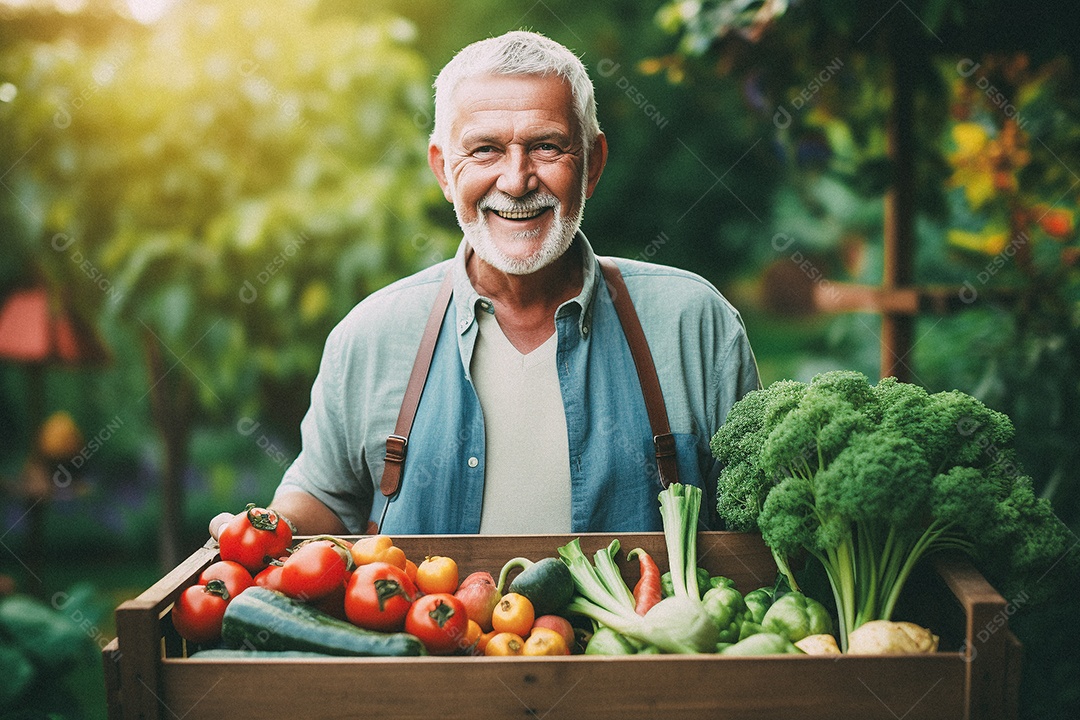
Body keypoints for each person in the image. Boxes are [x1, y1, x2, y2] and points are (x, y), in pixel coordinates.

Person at [210, 30, 759, 540]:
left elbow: (761, 519)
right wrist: (259, 532)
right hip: (433, 642)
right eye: (484, 150)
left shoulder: (695, 324)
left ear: (592, 164)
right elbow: (323, 503)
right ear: (444, 171)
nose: (516, 181)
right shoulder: (372, 335)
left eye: (547, 146)